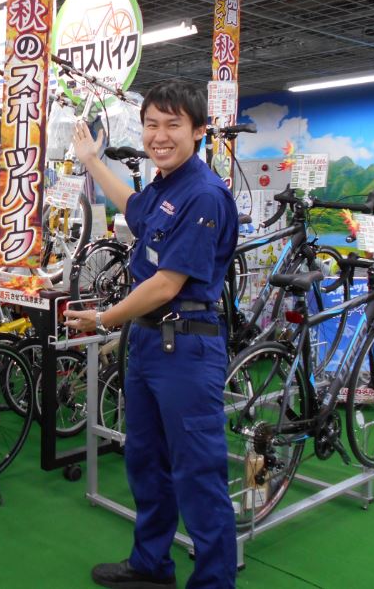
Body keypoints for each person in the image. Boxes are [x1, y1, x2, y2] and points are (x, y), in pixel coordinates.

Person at [64, 79, 238, 589]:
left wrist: (103, 320)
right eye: (151, 125)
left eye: (173, 125)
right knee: (145, 460)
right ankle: (150, 564)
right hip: (147, 344)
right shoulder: (165, 184)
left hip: (185, 346)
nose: (159, 136)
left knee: (198, 474)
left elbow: (165, 285)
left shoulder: (204, 194)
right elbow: (132, 207)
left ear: (199, 131)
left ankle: (213, 582)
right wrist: (93, 161)